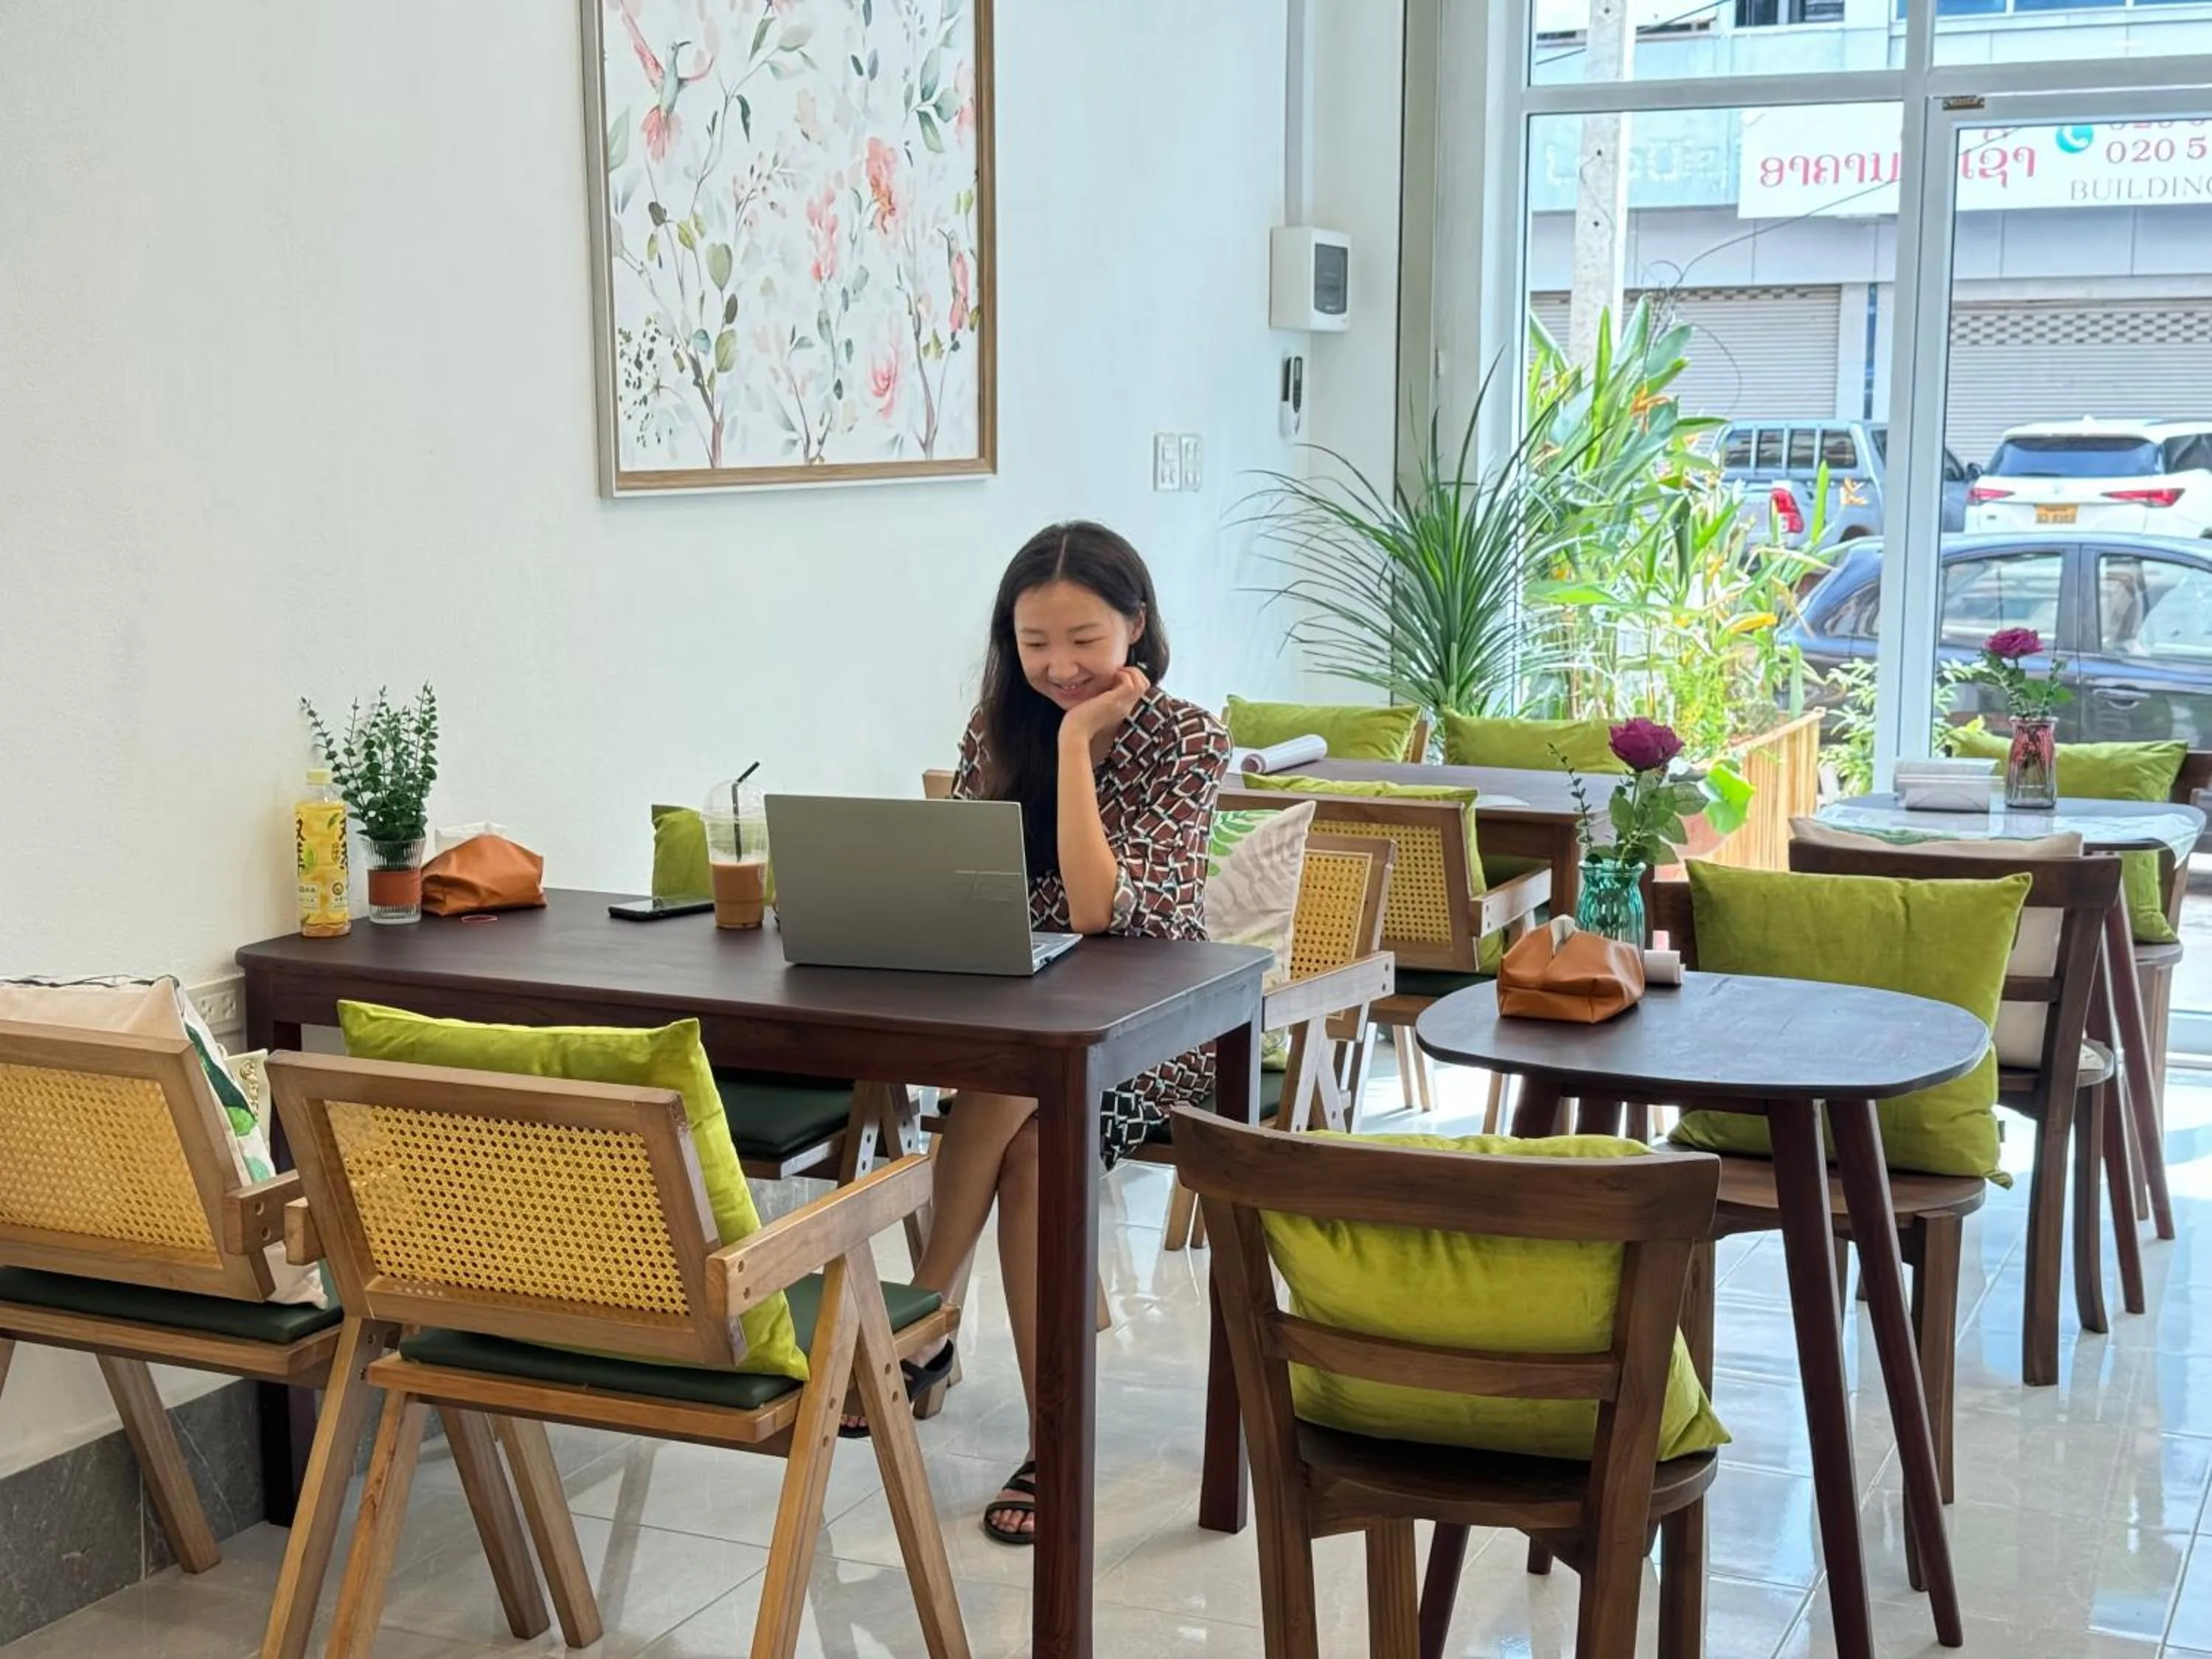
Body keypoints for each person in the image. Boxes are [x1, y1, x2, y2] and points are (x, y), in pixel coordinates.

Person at [844, 520, 1230, 1545]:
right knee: (1027, 1128)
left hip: (1160, 1027)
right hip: (1028, 1016)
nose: (1058, 666)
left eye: (1084, 638)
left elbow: (1103, 909)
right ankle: (1049, 1428)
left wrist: (1071, 748)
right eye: (1033, 642)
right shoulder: (992, 725)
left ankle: (923, 1317)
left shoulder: (1186, 738)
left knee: (1026, 1109)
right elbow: (975, 886)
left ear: (1137, 628)